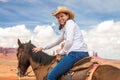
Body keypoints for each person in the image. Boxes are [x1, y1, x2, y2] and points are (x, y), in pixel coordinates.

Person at [32, 6, 89, 80]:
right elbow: (56, 42)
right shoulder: (66, 29)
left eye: (62, 16)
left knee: (50, 76)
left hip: (75, 54)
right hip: (83, 53)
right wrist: (42, 48)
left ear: (67, 16)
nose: (60, 19)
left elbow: (69, 41)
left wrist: (62, 52)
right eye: (58, 17)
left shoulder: (69, 23)